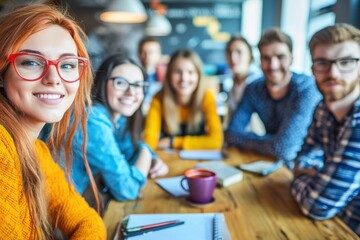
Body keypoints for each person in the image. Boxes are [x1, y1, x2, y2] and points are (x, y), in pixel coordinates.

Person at [0, 4, 105, 239]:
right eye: (31, 62)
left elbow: (87, 220)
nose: (54, 78)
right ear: (1, 71)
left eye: (67, 65)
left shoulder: (35, 150)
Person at [70, 54, 169, 203]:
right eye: (121, 83)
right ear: (102, 83)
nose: (131, 92)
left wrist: (147, 155)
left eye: (137, 85)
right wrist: (147, 152)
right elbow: (127, 189)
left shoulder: (118, 117)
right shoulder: (93, 121)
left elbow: (129, 151)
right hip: (54, 218)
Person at [291, 23, 360, 236]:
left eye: (346, 62)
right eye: (322, 62)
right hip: (334, 226)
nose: (333, 72)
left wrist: (299, 179)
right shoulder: (323, 108)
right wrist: (313, 176)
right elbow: (305, 154)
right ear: (313, 69)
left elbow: (317, 205)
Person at [225, 28, 321, 168]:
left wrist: (266, 143)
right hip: (272, 163)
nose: (273, 65)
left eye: (280, 57)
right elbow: (231, 134)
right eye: (266, 58)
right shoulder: (254, 89)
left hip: (309, 169)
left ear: (291, 59)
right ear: (260, 60)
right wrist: (273, 143)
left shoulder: (305, 88)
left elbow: (284, 149)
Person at [143, 49, 223, 150]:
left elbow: (216, 141)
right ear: (169, 75)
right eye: (178, 72)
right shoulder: (158, 99)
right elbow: (148, 141)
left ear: (198, 76)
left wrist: (172, 142)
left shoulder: (206, 97)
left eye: (190, 72)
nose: (184, 78)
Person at [223, 35, 264, 132]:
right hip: (238, 141)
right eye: (230, 52)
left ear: (250, 55)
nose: (233, 57)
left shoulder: (258, 83)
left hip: (256, 141)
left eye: (239, 52)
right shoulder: (232, 84)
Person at [138, 36, 164, 114]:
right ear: (139, 53)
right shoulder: (134, 75)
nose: (147, 56)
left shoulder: (165, 76)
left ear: (159, 54)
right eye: (144, 52)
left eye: (151, 52)